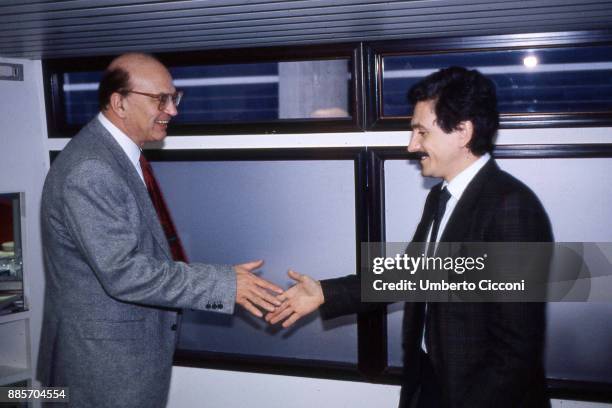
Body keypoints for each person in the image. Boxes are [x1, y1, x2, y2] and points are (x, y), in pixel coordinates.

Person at [267, 66, 553, 407]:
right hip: (432, 383)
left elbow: (515, 349)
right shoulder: (441, 197)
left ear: (462, 132)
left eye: (421, 132)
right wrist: (326, 293)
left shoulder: (512, 208)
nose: (411, 145)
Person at [37, 53, 283, 408]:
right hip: (101, 370)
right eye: (160, 100)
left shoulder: (118, 157)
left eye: (174, 98)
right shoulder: (91, 169)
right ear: (119, 102)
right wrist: (224, 284)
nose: (173, 111)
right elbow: (123, 272)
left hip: (120, 363)